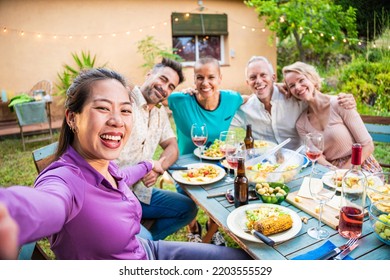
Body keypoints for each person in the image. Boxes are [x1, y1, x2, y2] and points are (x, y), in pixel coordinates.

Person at [0, 68, 251, 260]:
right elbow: (45, 204)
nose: (117, 121)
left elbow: (123, 173)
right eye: (102, 108)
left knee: (243, 259)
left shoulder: (104, 165)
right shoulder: (65, 180)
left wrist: (149, 165)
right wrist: (11, 213)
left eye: (125, 111)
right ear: (72, 118)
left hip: (146, 250)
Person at [116, 58, 197, 241]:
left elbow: (172, 146)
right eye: (162, 79)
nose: (164, 88)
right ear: (149, 74)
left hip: (141, 192)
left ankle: (144, 244)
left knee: (188, 208)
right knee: (146, 242)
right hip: (114, 196)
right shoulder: (124, 103)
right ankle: (142, 246)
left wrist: (159, 166)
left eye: (171, 86)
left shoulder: (159, 112)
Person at [168, 57, 244, 245]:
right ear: (193, 80)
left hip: (217, 161)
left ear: (220, 78)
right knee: (186, 204)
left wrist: (282, 88)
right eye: (199, 77)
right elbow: (153, 98)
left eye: (211, 77)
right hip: (184, 164)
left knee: (219, 198)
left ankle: (213, 230)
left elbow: (255, 96)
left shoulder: (232, 99)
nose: (205, 83)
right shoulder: (179, 100)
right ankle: (193, 228)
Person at [230, 56, 356, 150]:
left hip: (300, 164)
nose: (258, 81)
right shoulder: (244, 110)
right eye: (253, 77)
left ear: (273, 77)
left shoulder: (294, 98)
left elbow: (317, 98)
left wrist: (339, 99)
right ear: (247, 83)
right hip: (265, 169)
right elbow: (220, 113)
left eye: (263, 75)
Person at [282, 61, 382, 172]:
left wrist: (344, 172)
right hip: (331, 171)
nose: (298, 87)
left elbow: (368, 145)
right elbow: (317, 156)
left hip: (360, 165)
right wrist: (334, 172)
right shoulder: (301, 124)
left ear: (312, 79)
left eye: (301, 80)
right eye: (292, 86)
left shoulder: (341, 103)